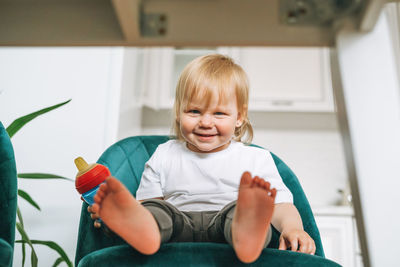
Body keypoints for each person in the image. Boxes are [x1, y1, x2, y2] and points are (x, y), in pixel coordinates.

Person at [89, 54, 316, 263]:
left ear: (239, 117)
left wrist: (293, 228)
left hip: (229, 225)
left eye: (219, 113)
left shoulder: (256, 158)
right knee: (158, 212)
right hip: (177, 228)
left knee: (241, 211)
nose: (206, 122)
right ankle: (147, 237)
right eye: (194, 111)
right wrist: (120, 213)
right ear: (178, 112)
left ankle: (247, 235)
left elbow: (281, 206)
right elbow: (148, 204)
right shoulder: (165, 153)